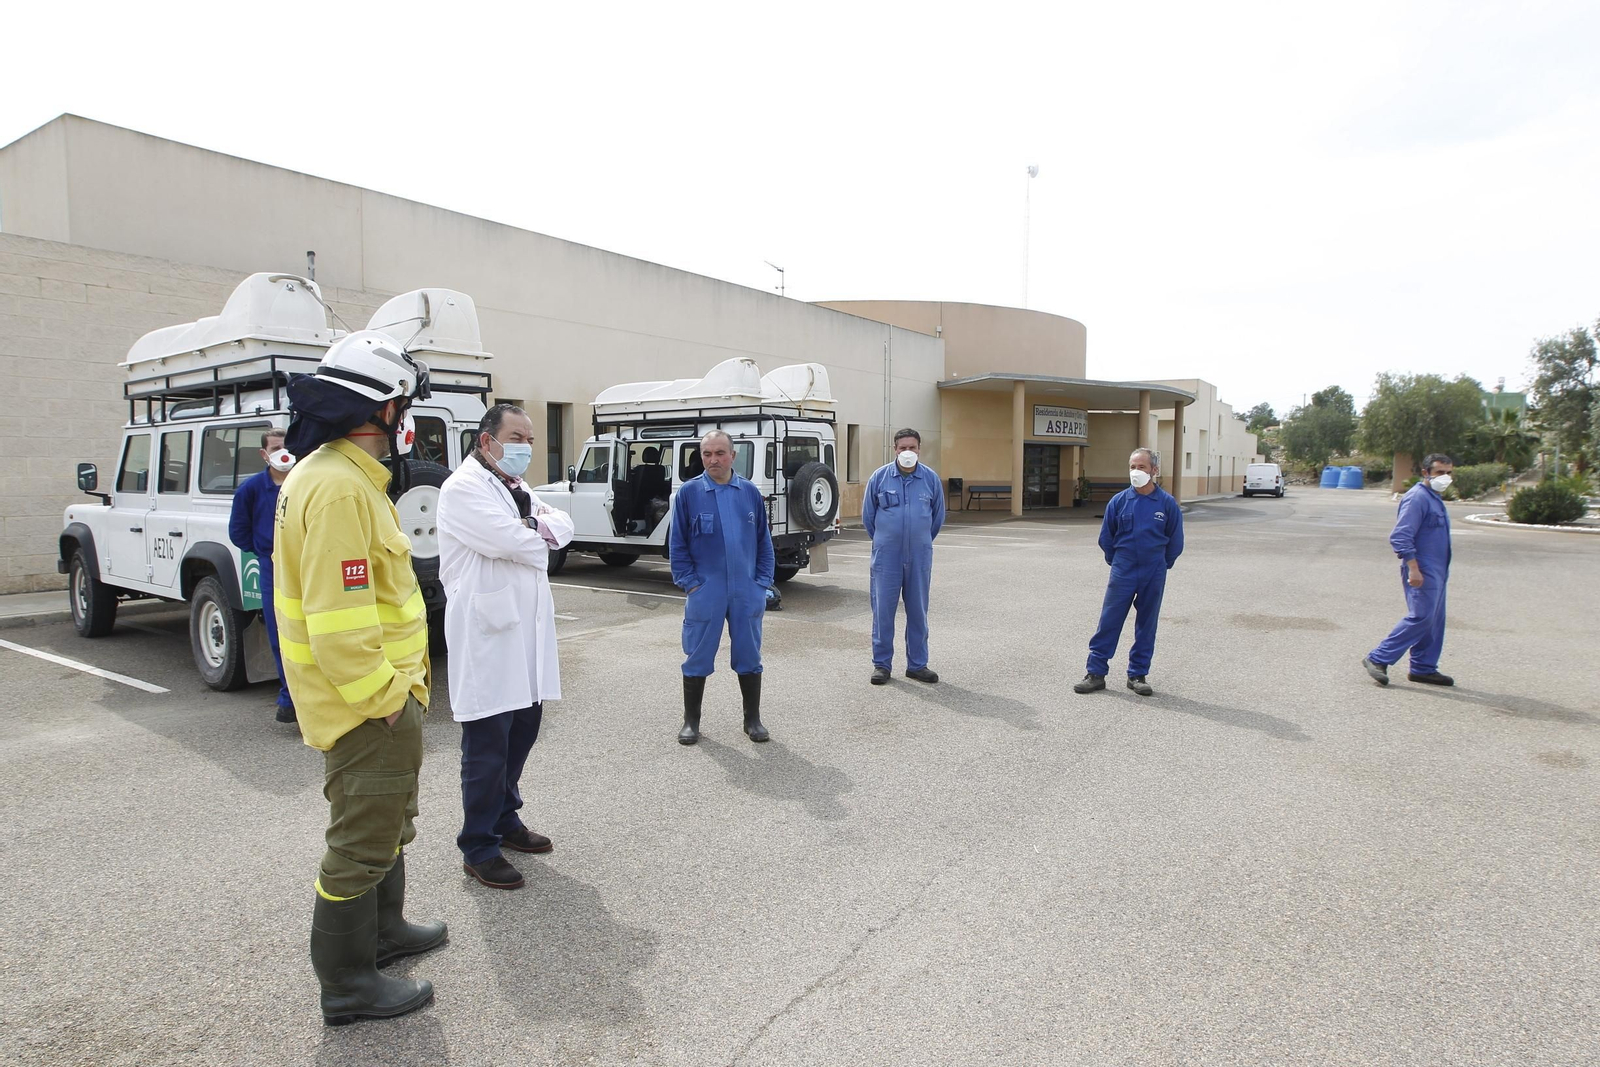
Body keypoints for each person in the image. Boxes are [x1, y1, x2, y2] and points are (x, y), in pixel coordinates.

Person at [274, 330, 445, 1025]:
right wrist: (387, 703)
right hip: (366, 707)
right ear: (375, 409)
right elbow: (339, 626)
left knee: (386, 824)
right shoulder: (340, 489)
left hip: (378, 700)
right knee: (359, 842)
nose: (405, 420)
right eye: (400, 405)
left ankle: (383, 933)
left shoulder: (338, 478)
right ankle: (348, 985)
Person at [437, 403, 575, 891]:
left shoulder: (516, 488)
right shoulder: (463, 489)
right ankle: (478, 843)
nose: (525, 448)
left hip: (525, 636)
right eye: (517, 437)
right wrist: (539, 535)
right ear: (486, 440)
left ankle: (504, 818)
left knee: (523, 729)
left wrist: (537, 531)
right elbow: (517, 543)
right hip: (488, 635)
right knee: (487, 743)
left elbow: (562, 525)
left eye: (531, 440)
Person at [669, 430, 774, 745]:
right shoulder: (688, 494)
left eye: (719, 453)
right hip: (706, 590)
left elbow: (763, 543)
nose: (713, 460)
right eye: (706, 454)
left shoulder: (750, 493)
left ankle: (752, 720)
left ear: (733, 455)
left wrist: (761, 583)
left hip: (746, 590)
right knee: (697, 655)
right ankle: (691, 722)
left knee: (749, 654)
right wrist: (690, 585)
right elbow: (678, 545)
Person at [1074, 448, 1184, 697]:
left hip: (1153, 570)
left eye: (1142, 467)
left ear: (1154, 471)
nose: (1136, 472)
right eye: (1133, 467)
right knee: (1109, 621)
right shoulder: (1119, 501)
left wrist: (1160, 564)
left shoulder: (1166, 504)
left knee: (1147, 623)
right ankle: (1095, 673)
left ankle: (1137, 675)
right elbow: (1106, 538)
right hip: (1123, 569)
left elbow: (1175, 542)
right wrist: (1118, 562)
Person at [1363, 453, 1456, 687]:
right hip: (1421, 568)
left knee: (1434, 619)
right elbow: (1401, 536)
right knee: (1421, 617)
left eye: (1448, 473)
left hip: (1438, 570)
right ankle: (1378, 658)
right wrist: (1413, 568)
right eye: (1439, 473)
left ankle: (1423, 668)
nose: (1445, 477)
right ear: (1425, 473)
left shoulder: (1434, 497)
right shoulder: (1417, 498)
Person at [862, 427, 945, 685]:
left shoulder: (930, 479)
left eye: (912, 447)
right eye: (902, 448)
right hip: (887, 557)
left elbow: (937, 518)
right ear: (894, 450)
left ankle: (918, 665)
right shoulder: (880, 478)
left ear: (919, 449)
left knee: (918, 610)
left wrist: (919, 541)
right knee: (883, 611)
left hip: (919, 556)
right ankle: (882, 665)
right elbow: (868, 518)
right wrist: (887, 541)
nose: (907, 452)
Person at [228, 427, 297, 723]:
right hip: (272, 566)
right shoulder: (251, 489)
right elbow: (238, 532)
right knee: (279, 634)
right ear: (264, 454)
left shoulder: (301, 483)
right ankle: (289, 698)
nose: (283, 452)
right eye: (277, 447)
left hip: (303, 563)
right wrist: (264, 551)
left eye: (286, 446)